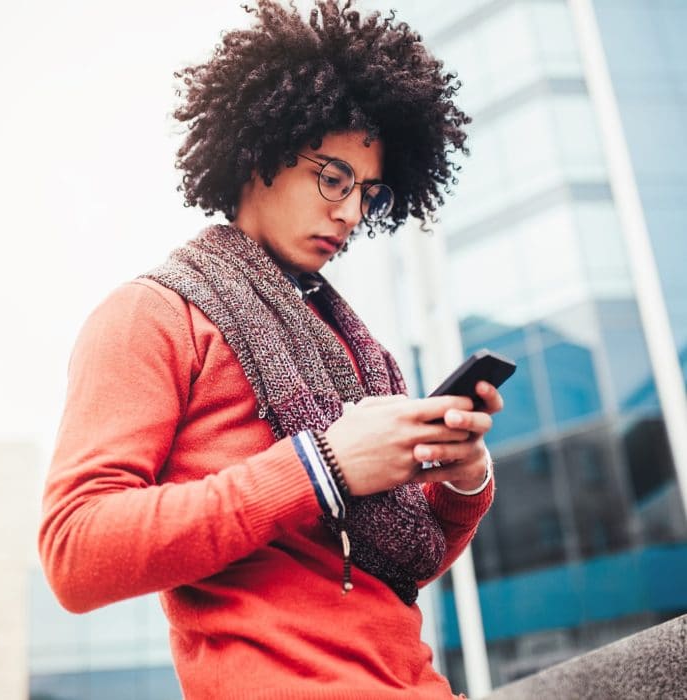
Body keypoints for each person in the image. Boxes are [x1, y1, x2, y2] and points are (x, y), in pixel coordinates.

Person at [39, 1, 504, 698]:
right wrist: (321, 467)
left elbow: (377, 569)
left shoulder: (362, 354)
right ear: (260, 152)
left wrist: (461, 479)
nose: (350, 212)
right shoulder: (152, 313)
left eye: (368, 194)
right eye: (334, 177)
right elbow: (76, 553)